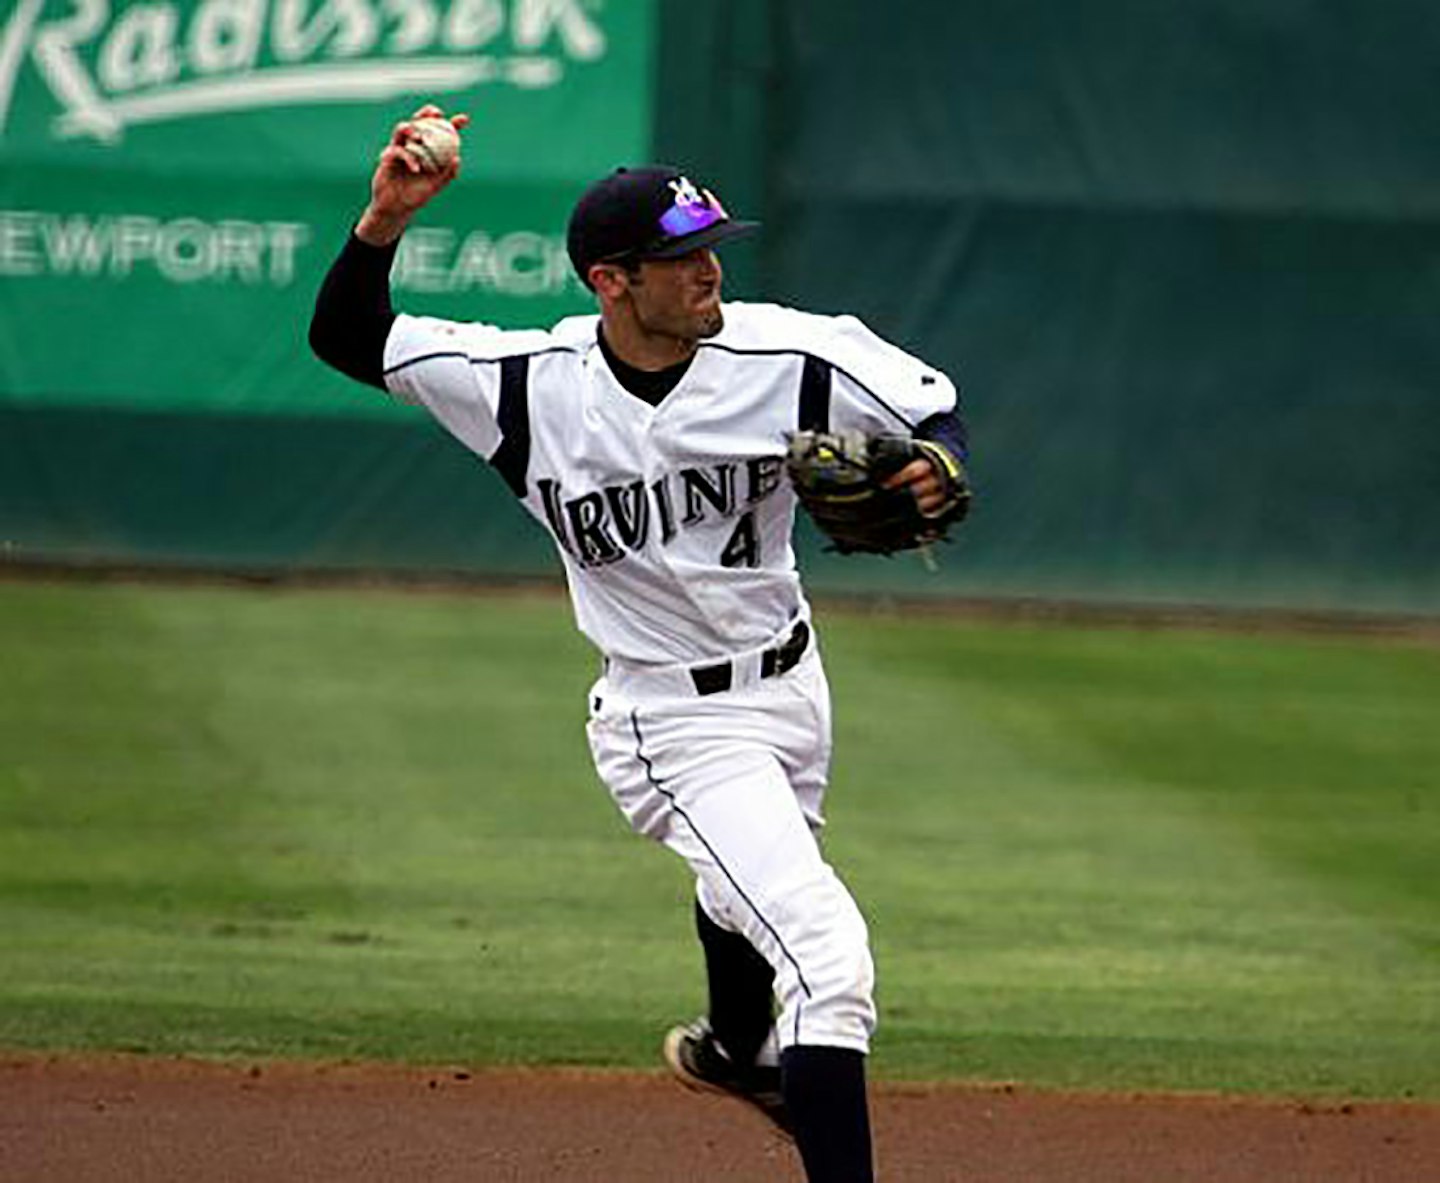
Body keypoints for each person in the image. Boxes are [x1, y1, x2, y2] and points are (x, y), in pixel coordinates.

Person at [310, 104, 970, 1183]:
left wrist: (934, 466)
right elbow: (347, 336)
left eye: (710, 247)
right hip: (669, 717)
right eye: (677, 258)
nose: (707, 270)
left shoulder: (787, 354)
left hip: (794, 685)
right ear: (609, 281)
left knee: (746, 880)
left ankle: (731, 1047)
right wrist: (385, 219)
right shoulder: (525, 382)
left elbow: (930, 408)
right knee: (826, 957)